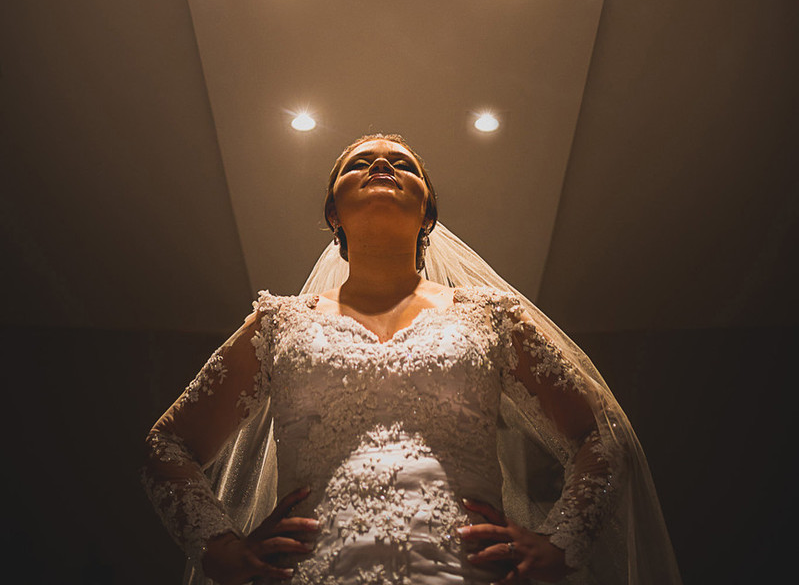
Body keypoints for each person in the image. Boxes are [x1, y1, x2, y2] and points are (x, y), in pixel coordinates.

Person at [143, 134, 682, 585]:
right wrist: (217, 547)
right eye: (359, 163)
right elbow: (166, 444)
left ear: (427, 214)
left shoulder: (489, 316)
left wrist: (563, 542)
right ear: (333, 214)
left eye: (402, 164)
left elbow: (600, 434)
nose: (381, 164)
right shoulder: (279, 324)